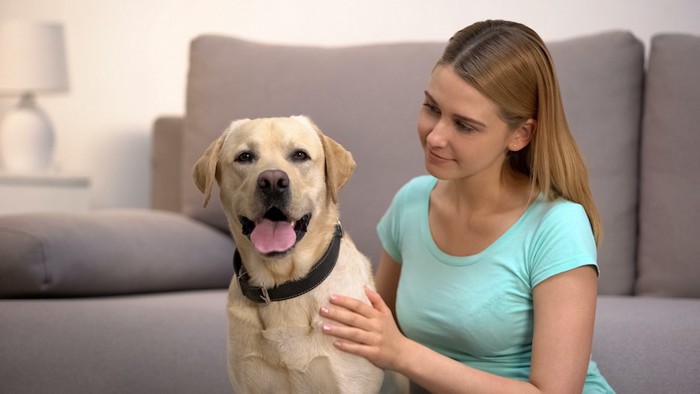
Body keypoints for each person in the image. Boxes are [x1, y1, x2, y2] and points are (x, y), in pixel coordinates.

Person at [319, 19, 615, 393]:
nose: (436, 136)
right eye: (431, 108)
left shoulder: (558, 225)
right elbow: (378, 335)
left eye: (464, 125)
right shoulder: (411, 203)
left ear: (520, 135)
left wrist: (404, 354)